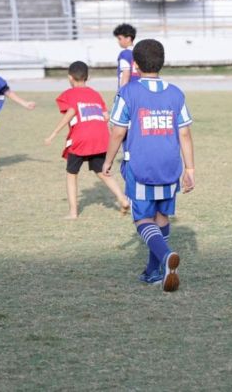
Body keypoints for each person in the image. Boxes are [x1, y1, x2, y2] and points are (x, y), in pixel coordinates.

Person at [103, 39, 194, 292]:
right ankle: (153, 271)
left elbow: (118, 131)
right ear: (162, 62)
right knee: (161, 216)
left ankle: (165, 257)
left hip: (141, 165)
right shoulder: (176, 93)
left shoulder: (128, 92)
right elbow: (184, 134)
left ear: (136, 65)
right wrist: (190, 170)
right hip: (170, 164)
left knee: (143, 219)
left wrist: (108, 161)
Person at [44, 61, 130, 219]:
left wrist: (53, 133)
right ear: (87, 77)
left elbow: (70, 112)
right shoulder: (95, 94)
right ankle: (122, 199)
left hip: (81, 139)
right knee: (102, 171)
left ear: (70, 77)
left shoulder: (68, 94)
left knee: (71, 174)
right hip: (100, 138)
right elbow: (105, 116)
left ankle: (73, 212)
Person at [113, 23, 139, 89]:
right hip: (139, 89)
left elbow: (125, 75)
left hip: (128, 91)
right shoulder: (140, 52)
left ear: (128, 38)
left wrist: (121, 94)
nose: (118, 41)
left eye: (120, 39)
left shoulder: (125, 54)